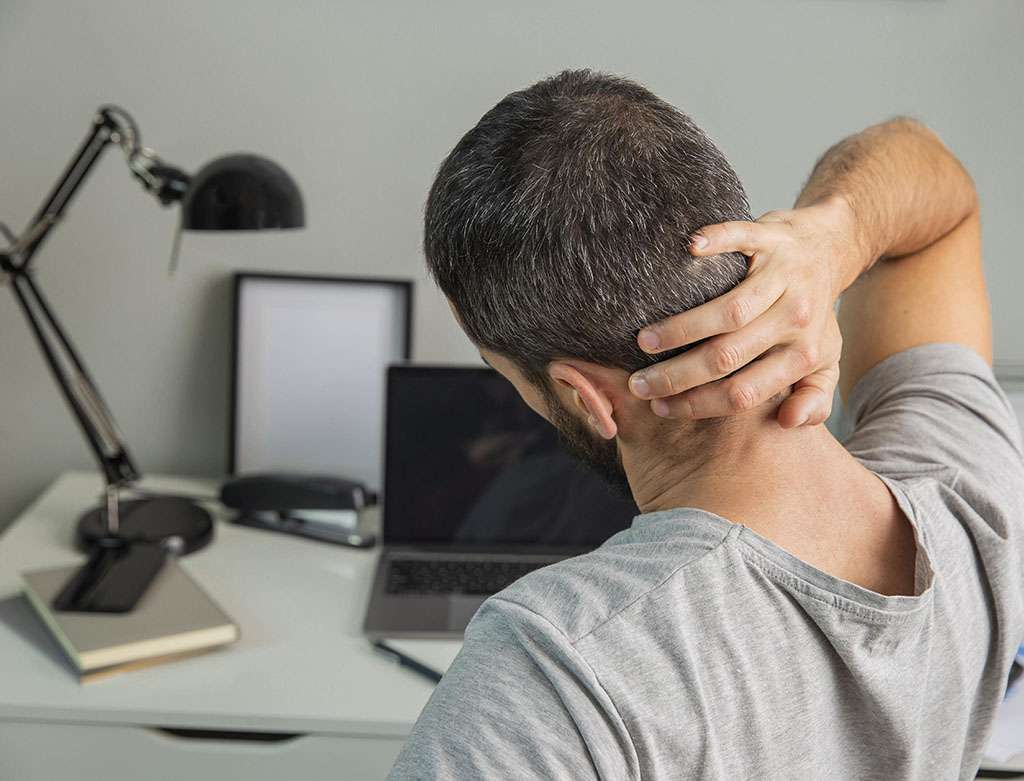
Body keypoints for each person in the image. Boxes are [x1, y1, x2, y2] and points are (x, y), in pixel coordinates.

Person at [389, 69, 1024, 779]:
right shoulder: (972, 494)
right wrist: (832, 237)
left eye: (508, 375)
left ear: (582, 395)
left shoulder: (558, 671)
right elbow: (934, 187)